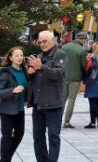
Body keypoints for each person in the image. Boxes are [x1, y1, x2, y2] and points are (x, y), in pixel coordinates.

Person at [27, 30, 67, 162]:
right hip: (38, 103)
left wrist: (41, 67)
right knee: (38, 138)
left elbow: (57, 74)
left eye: (45, 41)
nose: (42, 44)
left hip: (53, 103)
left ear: (53, 40)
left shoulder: (60, 54)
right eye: (40, 42)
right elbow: (32, 79)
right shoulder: (39, 56)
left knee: (53, 137)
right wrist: (31, 72)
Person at [0, 46, 28, 162]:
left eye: (21, 55)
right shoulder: (5, 72)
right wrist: (12, 90)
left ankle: (5, 159)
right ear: (11, 58)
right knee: (7, 137)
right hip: (7, 110)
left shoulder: (24, 71)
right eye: (17, 55)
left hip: (20, 109)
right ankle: (5, 160)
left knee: (19, 135)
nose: (20, 57)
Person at [61, 33, 87, 130]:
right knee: (71, 99)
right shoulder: (82, 50)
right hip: (75, 78)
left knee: (62, 100)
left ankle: (57, 119)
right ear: (83, 39)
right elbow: (84, 65)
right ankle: (66, 122)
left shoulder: (64, 47)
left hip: (63, 77)